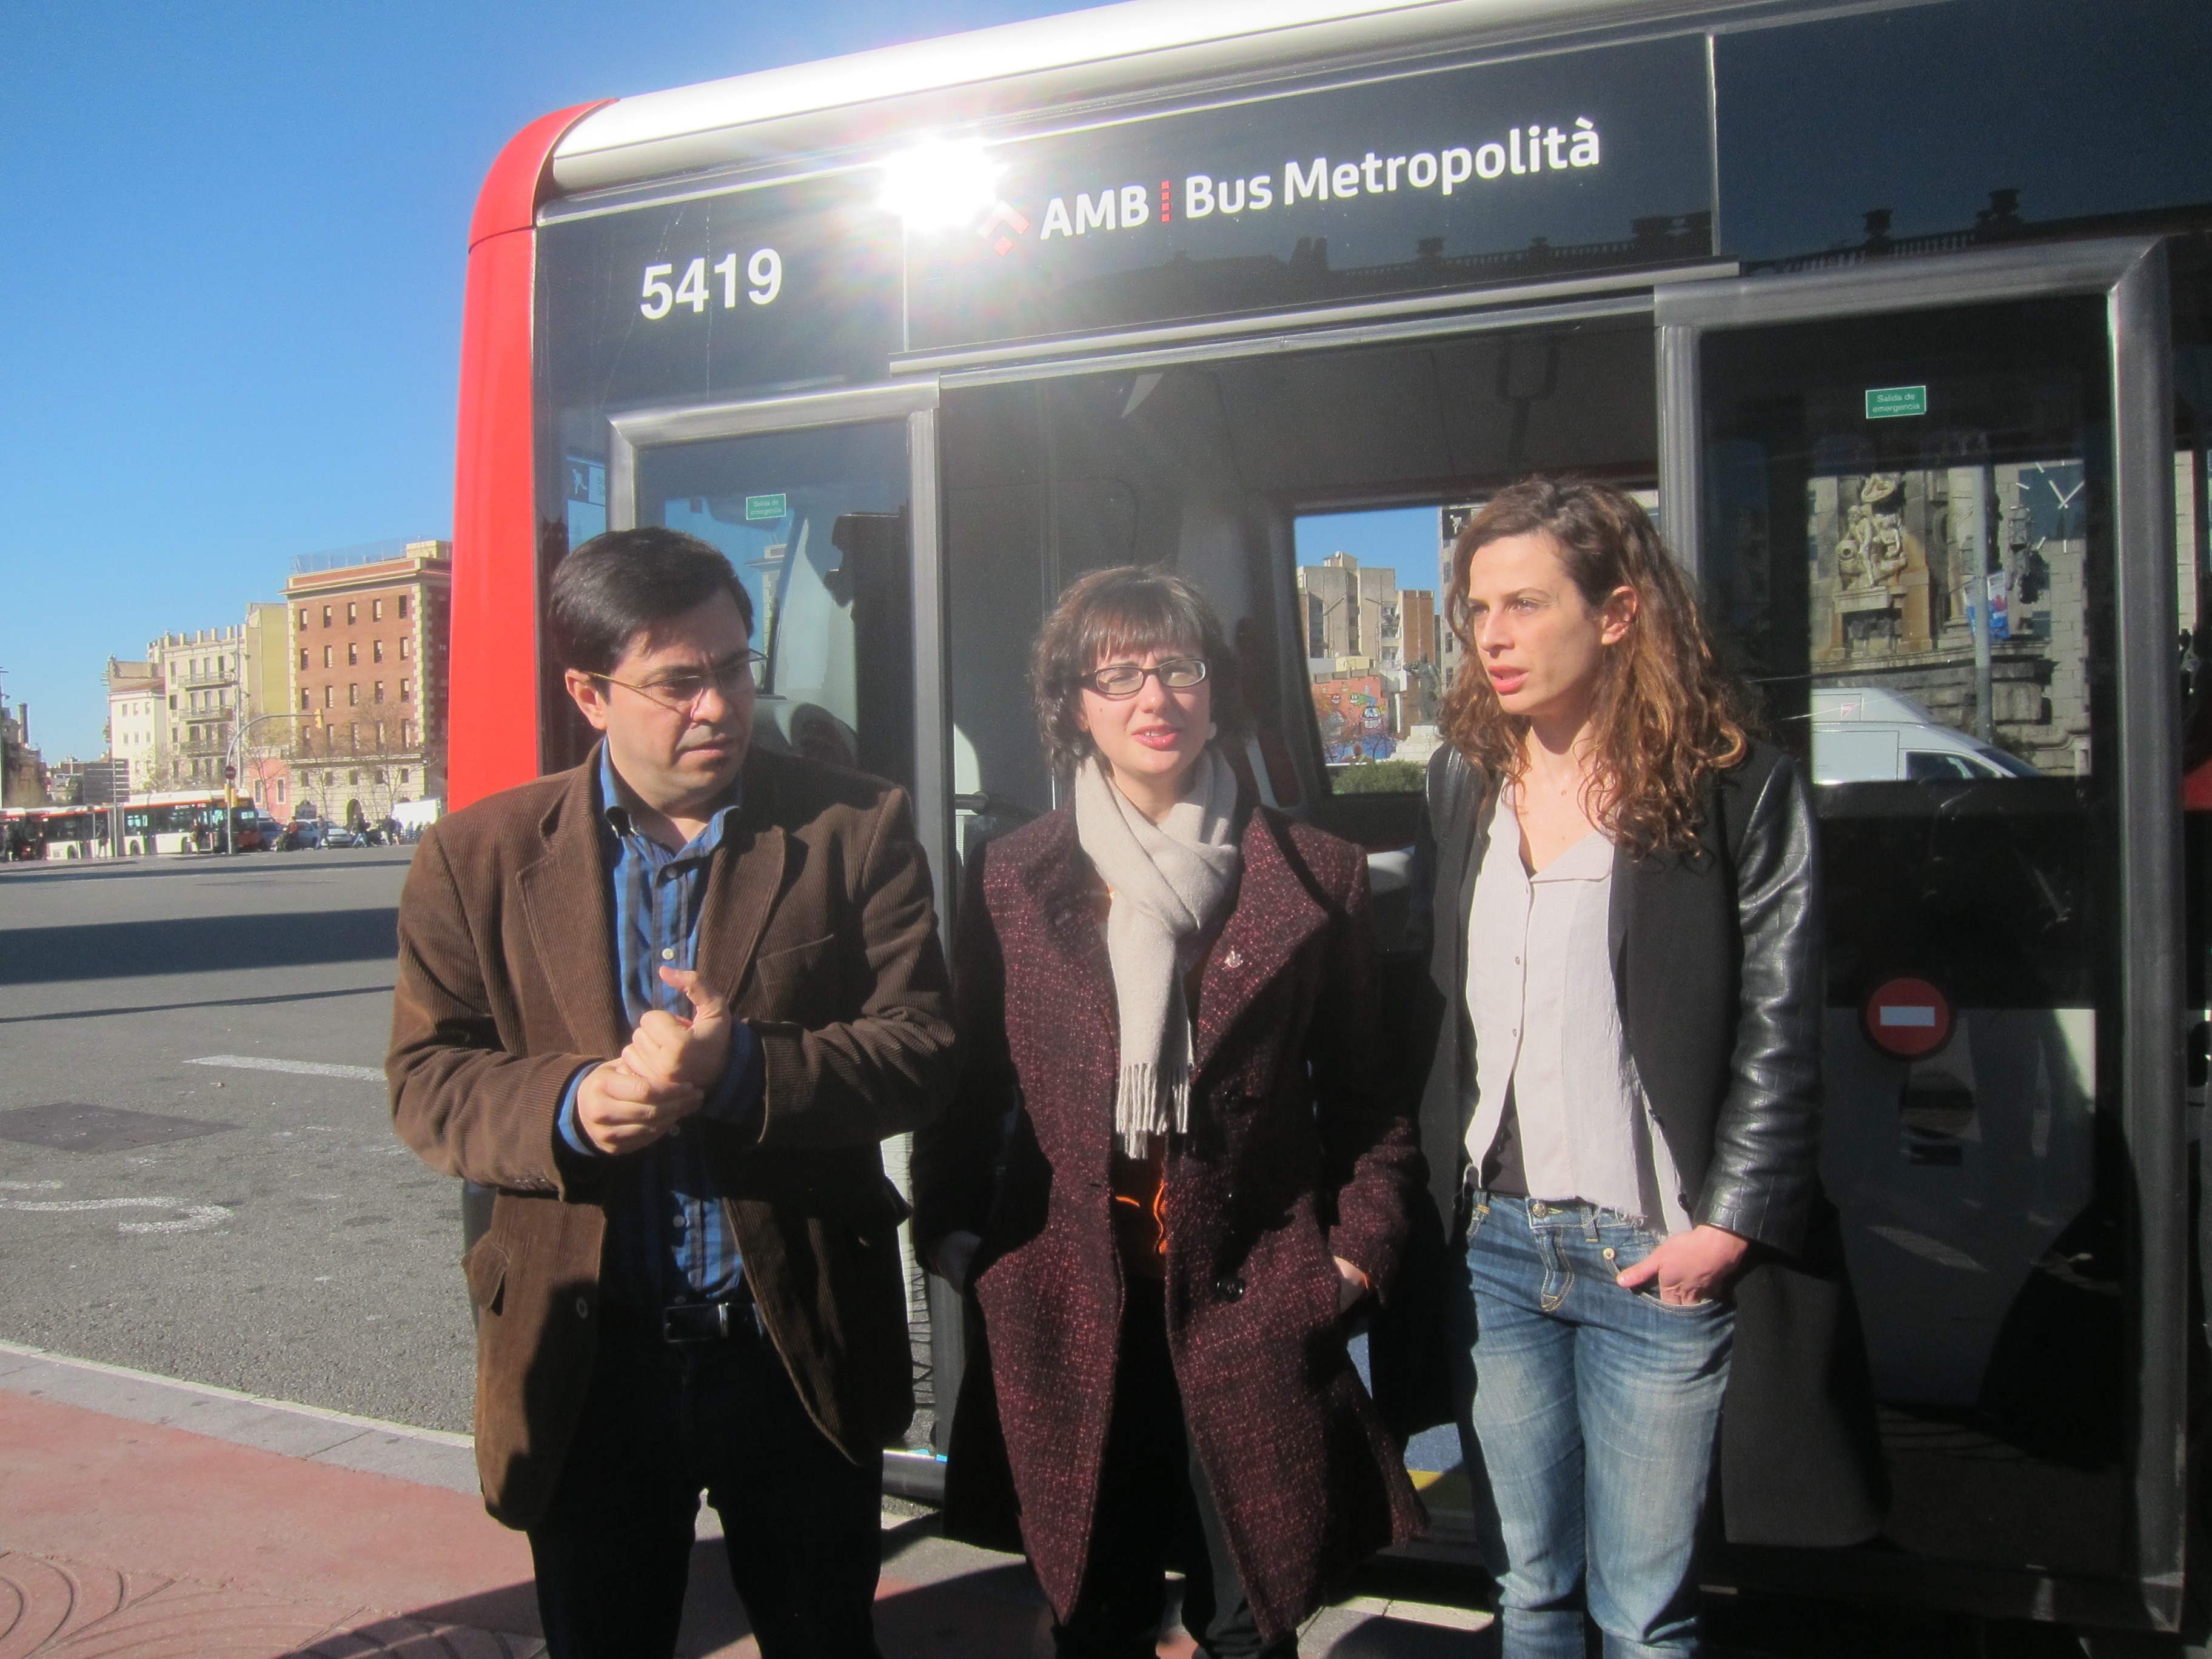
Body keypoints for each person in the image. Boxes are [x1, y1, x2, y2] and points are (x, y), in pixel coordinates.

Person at [387, 526, 956, 1659]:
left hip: (792, 1347)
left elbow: (924, 1048)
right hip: (593, 1362)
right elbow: (428, 1080)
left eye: (735, 667)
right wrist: (574, 1107)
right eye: (679, 682)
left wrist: (744, 1069)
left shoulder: (854, 826)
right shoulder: (475, 857)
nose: (719, 706)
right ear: (589, 694)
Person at [913, 566, 1426, 1659]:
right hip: (1073, 1298)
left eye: (1178, 667)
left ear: (1213, 687)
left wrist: (1355, 1259)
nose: (1154, 697)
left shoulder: (1313, 872)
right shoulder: (1014, 877)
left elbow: (1369, 1100)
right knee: (1094, 1615)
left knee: (1250, 1621)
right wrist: (954, 1236)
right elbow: (971, 1081)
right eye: (1118, 675)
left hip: (1252, 1300)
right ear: (1075, 704)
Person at [1412, 479, 1883, 1658]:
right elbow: (1445, 1019)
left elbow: (1783, 1028)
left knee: (1643, 1615)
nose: (1494, 637)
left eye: (1527, 604)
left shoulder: (1734, 787)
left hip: (1653, 1254)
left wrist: (1725, 1228)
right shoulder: (1464, 781)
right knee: (1528, 1592)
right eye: (1478, 610)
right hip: (1498, 1248)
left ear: (1618, 612)